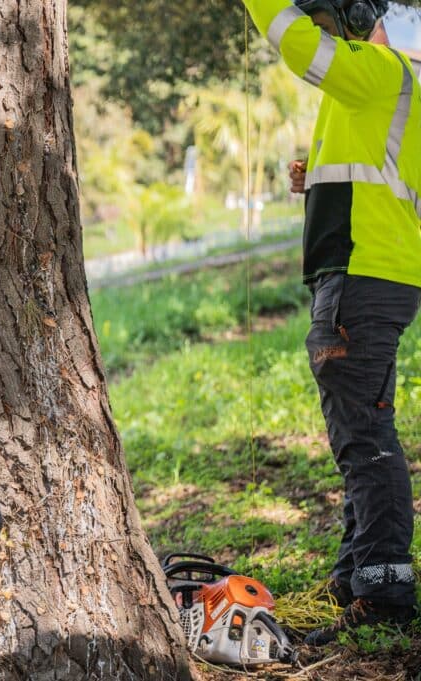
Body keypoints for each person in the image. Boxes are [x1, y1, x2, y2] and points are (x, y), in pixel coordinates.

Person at [244, 0, 421, 645]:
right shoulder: (383, 83)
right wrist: (313, 179)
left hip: (362, 274)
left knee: (364, 436)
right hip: (372, 272)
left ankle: (384, 588)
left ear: (348, 16)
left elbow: (298, 48)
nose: (316, 31)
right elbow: (376, 169)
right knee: (364, 426)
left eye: (323, 20)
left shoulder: (377, 67)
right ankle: (356, 575)